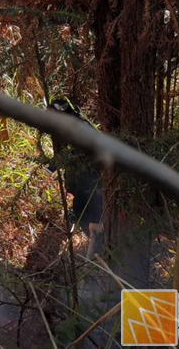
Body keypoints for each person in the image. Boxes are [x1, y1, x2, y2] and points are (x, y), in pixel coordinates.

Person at [47, 98, 103, 255]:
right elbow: (60, 153)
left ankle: (96, 239)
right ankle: (82, 226)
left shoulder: (81, 126)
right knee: (79, 203)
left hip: (90, 173)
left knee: (92, 204)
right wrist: (51, 169)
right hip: (75, 175)